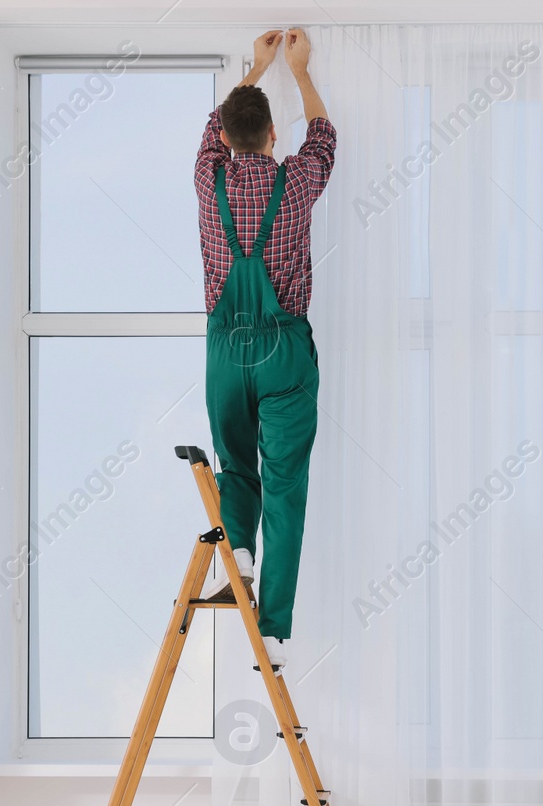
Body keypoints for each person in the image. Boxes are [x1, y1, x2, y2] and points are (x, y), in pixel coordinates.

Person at [194, 28, 334, 672]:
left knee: (234, 462)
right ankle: (272, 629)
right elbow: (325, 140)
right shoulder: (298, 182)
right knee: (286, 485)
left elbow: (212, 129)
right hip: (283, 352)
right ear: (274, 136)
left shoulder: (207, 182)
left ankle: (239, 554)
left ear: (224, 139)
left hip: (226, 352)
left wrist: (256, 65)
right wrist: (299, 72)